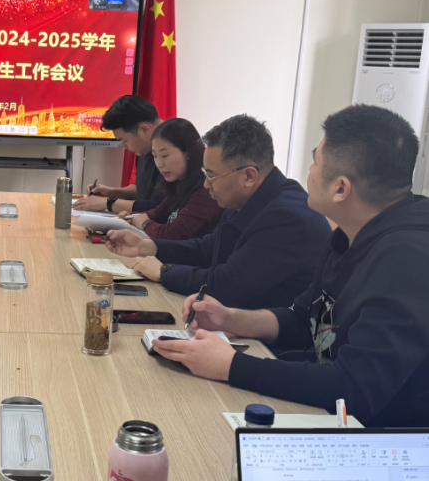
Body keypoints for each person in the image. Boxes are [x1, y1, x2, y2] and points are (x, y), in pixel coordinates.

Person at [150, 105, 429, 428]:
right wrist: (230, 318)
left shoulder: (407, 258)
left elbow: (355, 387)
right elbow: (303, 319)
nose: (308, 172)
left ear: (340, 188)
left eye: (315, 162)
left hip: (380, 439)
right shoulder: (349, 235)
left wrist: (232, 366)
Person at [106, 114, 331, 309]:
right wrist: (148, 246)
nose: (206, 184)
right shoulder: (248, 198)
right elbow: (210, 248)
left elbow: (229, 284)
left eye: (212, 176)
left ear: (248, 176)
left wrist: (163, 272)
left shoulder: (285, 217)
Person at [120, 118, 223, 240]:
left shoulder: (206, 190)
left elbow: (172, 233)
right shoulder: (180, 182)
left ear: (188, 152)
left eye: (165, 155)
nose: (159, 164)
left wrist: (145, 224)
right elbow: (159, 213)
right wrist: (131, 217)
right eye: (155, 156)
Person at [73, 96, 166, 214]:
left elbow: (157, 206)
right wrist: (111, 192)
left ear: (144, 130)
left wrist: (108, 203)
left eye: (124, 140)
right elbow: (144, 190)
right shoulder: (145, 147)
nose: (124, 146)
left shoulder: (173, 151)